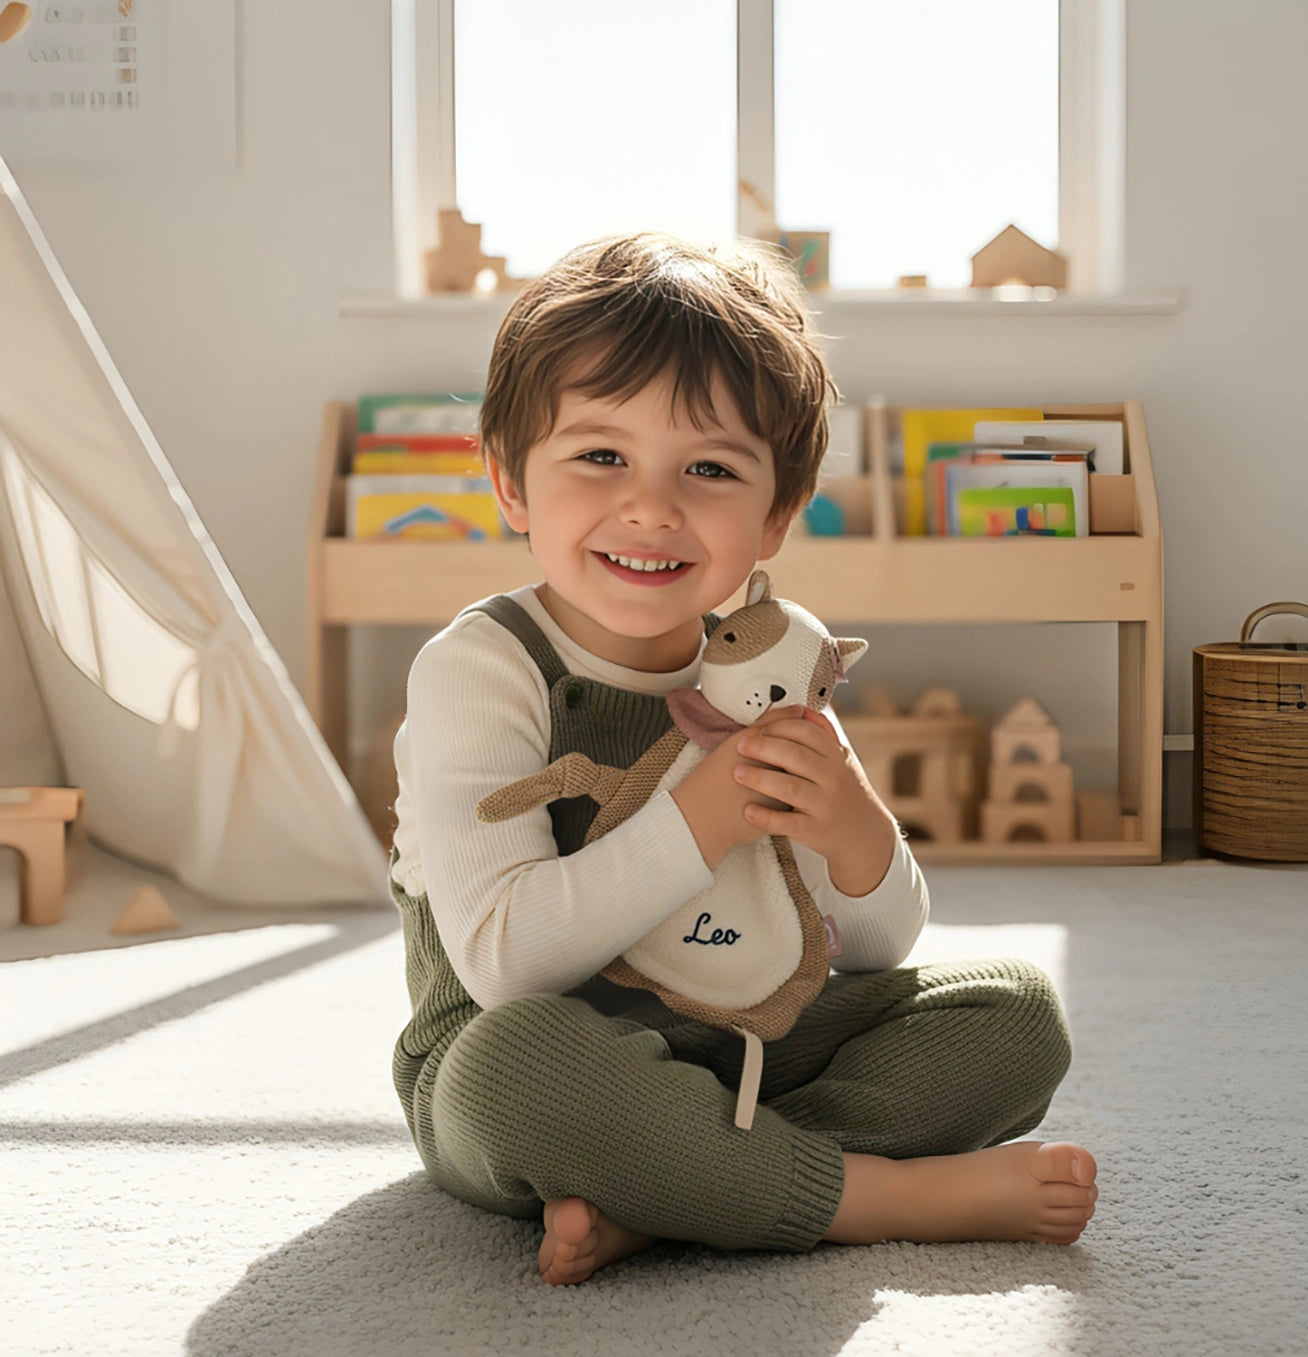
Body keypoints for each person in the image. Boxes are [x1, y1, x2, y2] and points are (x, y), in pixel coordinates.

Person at [388, 232, 1098, 1287]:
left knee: (1014, 1010)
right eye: (599, 456)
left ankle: (680, 1188)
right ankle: (864, 1197)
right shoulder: (484, 669)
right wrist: (706, 816)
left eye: (709, 469)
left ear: (773, 515)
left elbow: (872, 949)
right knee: (515, 1073)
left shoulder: (770, 666)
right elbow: (506, 965)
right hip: (538, 1049)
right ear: (510, 482)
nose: (652, 506)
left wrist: (853, 829)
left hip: (745, 1044)